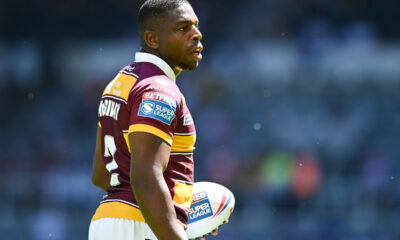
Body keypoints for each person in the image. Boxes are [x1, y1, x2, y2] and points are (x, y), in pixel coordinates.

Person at [89, 0, 208, 239]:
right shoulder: (159, 89)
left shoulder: (120, 82)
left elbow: (102, 175)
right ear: (153, 39)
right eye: (182, 28)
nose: (197, 34)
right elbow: (145, 176)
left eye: (195, 26)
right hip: (140, 225)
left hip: (107, 223)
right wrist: (173, 233)